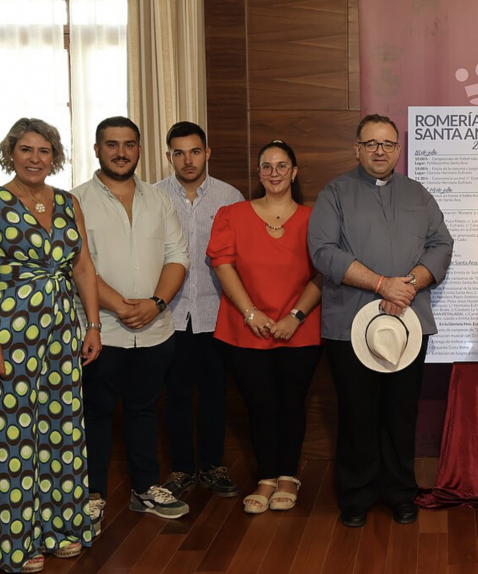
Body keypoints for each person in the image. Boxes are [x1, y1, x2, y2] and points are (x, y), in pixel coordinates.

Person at [309, 113, 453, 528]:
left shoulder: (418, 194)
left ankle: (400, 492)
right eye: (371, 143)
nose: (379, 151)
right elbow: (323, 251)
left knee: (400, 413)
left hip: (408, 322)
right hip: (349, 325)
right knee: (357, 414)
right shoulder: (334, 193)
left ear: (398, 150)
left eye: (388, 144)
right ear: (356, 149)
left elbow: (441, 245)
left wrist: (409, 284)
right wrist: (381, 285)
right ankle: (356, 496)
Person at [0, 119, 99, 572]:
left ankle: (60, 529)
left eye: (44, 151)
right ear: (11, 153)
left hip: (62, 333)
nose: (35, 158)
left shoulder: (67, 202)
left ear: (55, 157)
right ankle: (14, 545)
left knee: (62, 434)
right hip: (8, 336)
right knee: (12, 439)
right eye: (26, 149)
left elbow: (83, 268)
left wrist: (93, 325)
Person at [72, 116, 191, 524]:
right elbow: (77, 265)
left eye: (129, 144)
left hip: (155, 330)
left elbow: (177, 255)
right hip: (99, 331)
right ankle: (92, 494)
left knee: (143, 411)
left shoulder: (159, 199)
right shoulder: (75, 200)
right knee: (95, 413)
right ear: (97, 149)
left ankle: (145, 489)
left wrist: (156, 303)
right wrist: (120, 306)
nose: (121, 152)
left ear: (140, 149)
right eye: (112, 144)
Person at [207, 140, 322, 514]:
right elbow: (222, 264)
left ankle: (288, 476)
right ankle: (267, 477)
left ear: (294, 172)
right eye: (267, 166)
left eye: (282, 165)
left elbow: (324, 272)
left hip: (299, 328)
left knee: (291, 403)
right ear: (258, 173)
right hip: (246, 327)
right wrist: (251, 313)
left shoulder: (315, 219)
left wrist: (295, 317)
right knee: (260, 405)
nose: (275, 173)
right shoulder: (232, 214)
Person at [155, 121, 243, 500]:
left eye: (194, 151)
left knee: (214, 394)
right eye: (179, 153)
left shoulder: (230, 196)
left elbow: (240, 257)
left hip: (216, 312)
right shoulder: (154, 196)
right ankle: (181, 469)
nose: (187, 160)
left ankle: (211, 466)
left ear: (207, 153)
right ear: (169, 156)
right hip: (170, 315)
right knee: (175, 395)